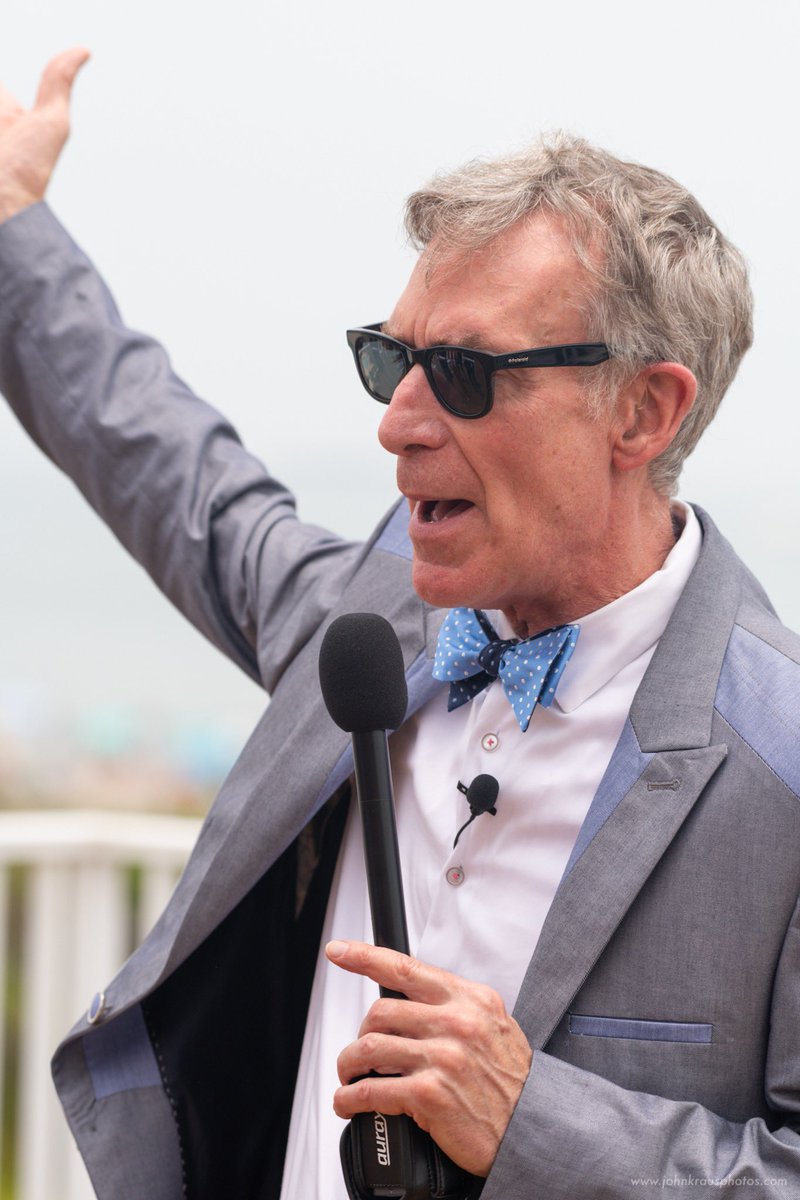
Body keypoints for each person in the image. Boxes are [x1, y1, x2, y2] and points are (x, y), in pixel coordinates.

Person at [2, 49, 799, 1200]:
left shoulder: (775, 762)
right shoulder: (375, 625)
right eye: (394, 361)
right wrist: (15, 225)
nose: (399, 425)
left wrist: (532, 1121)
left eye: (465, 374)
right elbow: (174, 473)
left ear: (642, 408)